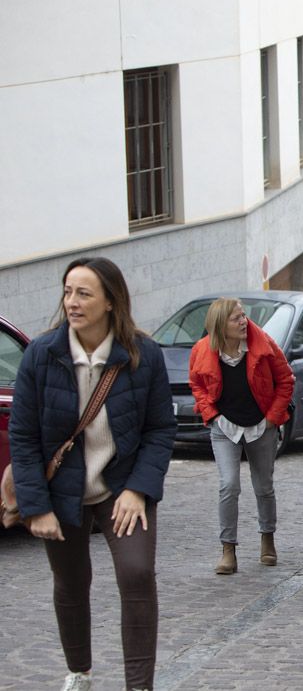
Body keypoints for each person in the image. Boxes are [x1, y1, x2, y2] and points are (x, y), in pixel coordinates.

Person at [9, 256, 176, 691]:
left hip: (121, 488)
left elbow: (160, 431)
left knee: (137, 574)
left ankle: (139, 686)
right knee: (71, 581)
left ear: (109, 301)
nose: (72, 302)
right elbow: (24, 440)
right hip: (62, 491)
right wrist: (36, 508)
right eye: (68, 292)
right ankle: (79, 672)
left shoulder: (144, 355)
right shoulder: (41, 357)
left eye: (84, 293)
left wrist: (139, 490)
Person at [189, 298, 295, 574]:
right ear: (220, 325)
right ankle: (228, 549)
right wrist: (210, 414)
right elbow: (197, 384)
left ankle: (267, 538)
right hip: (224, 426)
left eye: (243, 316)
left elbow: (286, 380)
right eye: (236, 318)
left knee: (263, 486)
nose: (243, 322)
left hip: (261, 425)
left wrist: (272, 418)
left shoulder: (264, 345)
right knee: (229, 485)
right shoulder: (202, 350)